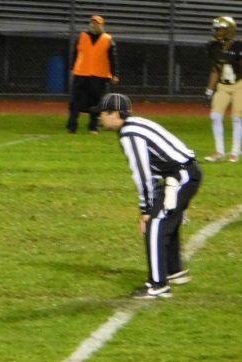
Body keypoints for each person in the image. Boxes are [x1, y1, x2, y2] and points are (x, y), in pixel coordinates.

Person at [96, 93, 201, 299]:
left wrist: (146, 209)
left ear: (115, 114)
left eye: (102, 113)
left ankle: (158, 285)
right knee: (168, 220)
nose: (99, 117)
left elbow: (142, 173)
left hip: (179, 176)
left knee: (155, 224)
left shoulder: (129, 134)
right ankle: (174, 271)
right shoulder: (136, 124)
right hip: (184, 173)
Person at [67, 15, 118, 134]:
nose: (94, 25)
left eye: (97, 23)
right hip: (81, 73)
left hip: (99, 75)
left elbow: (113, 59)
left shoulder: (107, 39)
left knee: (96, 102)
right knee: (75, 101)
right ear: (90, 24)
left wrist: (115, 74)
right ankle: (72, 126)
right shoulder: (81, 37)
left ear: (101, 25)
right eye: (93, 23)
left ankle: (93, 126)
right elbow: (75, 54)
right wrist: (72, 68)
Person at [204, 16, 242, 163]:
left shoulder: (238, 46)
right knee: (215, 116)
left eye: (220, 29)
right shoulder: (213, 47)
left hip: (239, 84)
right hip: (223, 85)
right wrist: (209, 91)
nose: (217, 31)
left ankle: (234, 152)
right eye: (217, 29)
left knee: (237, 118)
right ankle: (219, 151)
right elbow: (215, 70)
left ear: (229, 30)